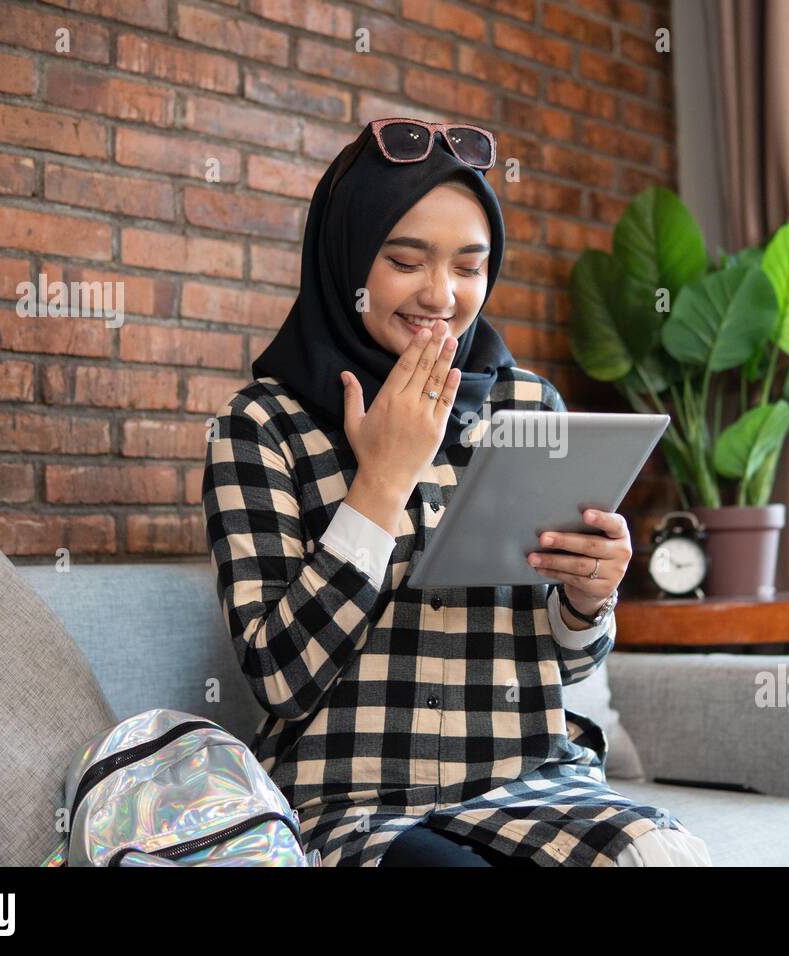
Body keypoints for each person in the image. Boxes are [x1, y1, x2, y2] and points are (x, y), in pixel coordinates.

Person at [201, 118, 712, 867]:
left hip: (528, 781)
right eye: (406, 261)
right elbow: (279, 677)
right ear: (345, 260)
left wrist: (588, 598)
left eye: (470, 267)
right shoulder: (261, 428)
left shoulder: (530, 409)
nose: (442, 295)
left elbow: (570, 664)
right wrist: (380, 482)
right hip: (352, 800)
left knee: (669, 857)